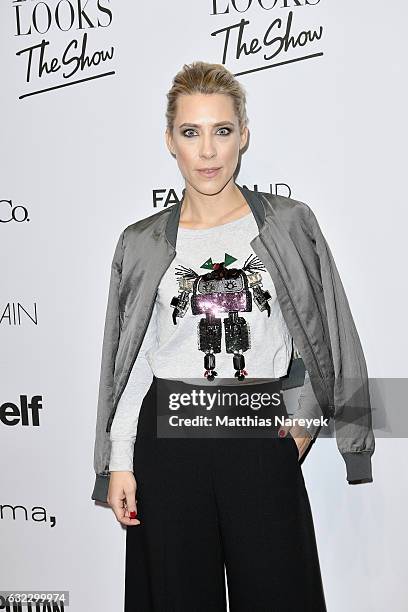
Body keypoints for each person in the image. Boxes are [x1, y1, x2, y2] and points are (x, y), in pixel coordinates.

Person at [92, 61, 375, 611]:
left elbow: (331, 336)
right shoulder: (142, 242)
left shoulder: (289, 224)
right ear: (169, 141)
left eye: (222, 131)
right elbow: (130, 363)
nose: (207, 151)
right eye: (190, 132)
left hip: (258, 436)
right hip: (166, 442)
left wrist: (309, 424)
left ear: (243, 135)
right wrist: (118, 462)